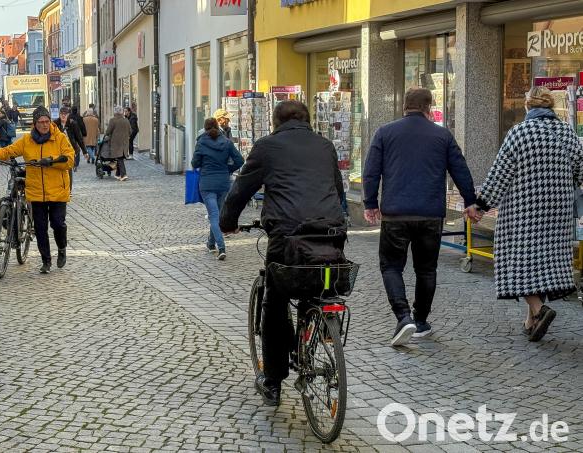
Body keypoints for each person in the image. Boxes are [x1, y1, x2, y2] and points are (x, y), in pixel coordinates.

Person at [219, 100, 345, 406]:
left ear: (275, 122)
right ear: (308, 120)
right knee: (319, 286)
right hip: (330, 234)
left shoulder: (267, 147)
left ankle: (272, 381)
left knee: (275, 302)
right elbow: (338, 191)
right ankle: (319, 332)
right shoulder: (326, 146)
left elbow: (241, 190)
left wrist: (227, 223)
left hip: (287, 237)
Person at [362, 87, 477, 347]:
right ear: (429, 108)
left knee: (391, 266)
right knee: (426, 269)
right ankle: (421, 321)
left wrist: (370, 203)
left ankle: (403, 317)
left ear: (404, 106)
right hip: (430, 214)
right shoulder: (442, 136)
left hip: (395, 214)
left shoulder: (385, 132)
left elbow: (371, 172)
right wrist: (470, 202)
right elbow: (460, 170)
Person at [474, 86, 583, 342]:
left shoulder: (519, 133)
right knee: (543, 264)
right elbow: (581, 172)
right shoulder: (567, 134)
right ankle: (531, 320)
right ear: (550, 106)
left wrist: (480, 206)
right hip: (558, 212)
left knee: (519, 262)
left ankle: (539, 309)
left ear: (527, 106)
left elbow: (499, 175)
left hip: (524, 213)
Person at [0, 106, 75, 274]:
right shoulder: (27, 141)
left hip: (58, 191)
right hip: (36, 191)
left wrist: (51, 161)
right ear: (35, 123)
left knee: (58, 224)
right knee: (40, 228)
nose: (45, 125)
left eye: (47, 121)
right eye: (41, 122)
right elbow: (10, 150)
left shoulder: (59, 138)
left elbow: (69, 159)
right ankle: (46, 260)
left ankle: (62, 248)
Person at [192, 118, 244, 260]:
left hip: (207, 183)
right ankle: (210, 243)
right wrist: (228, 169)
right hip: (223, 183)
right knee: (217, 215)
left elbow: (194, 162)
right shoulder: (227, 142)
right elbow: (240, 160)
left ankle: (221, 247)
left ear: (205, 128)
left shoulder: (201, 142)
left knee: (214, 216)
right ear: (218, 127)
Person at [105, 105, 132, 181]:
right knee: (120, 157)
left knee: (120, 158)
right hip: (125, 142)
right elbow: (130, 131)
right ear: (122, 112)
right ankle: (118, 174)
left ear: (115, 112)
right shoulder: (126, 120)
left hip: (116, 143)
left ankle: (123, 174)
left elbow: (108, 132)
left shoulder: (113, 120)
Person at [57, 106, 87, 173]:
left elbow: (79, 138)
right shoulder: (55, 124)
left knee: (68, 168)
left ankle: (74, 166)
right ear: (59, 115)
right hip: (59, 149)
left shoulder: (73, 124)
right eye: (62, 114)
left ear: (68, 115)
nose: (63, 115)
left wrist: (84, 151)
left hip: (71, 148)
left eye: (65, 114)